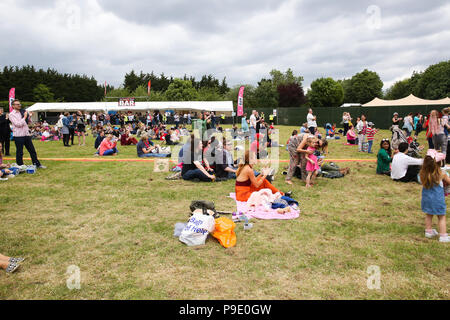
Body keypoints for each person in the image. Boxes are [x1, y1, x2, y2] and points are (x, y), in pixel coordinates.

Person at [419, 153, 450, 242]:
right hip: (437, 200)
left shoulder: (422, 174)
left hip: (426, 199)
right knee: (441, 217)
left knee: (429, 214)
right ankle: (443, 235)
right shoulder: (442, 174)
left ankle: (428, 231)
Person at [8, 100, 45, 169]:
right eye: (17, 104)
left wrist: (29, 116)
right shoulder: (11, 114)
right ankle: (20, 166)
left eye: (19, 104)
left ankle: (37, 164)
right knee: (20, 152)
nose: (19, 105)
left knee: (32, 150)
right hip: (18, 135)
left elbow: (27, 122)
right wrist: (24, 117)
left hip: (26, 134)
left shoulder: (22, 112)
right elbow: (18, 124)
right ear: (13, 106)